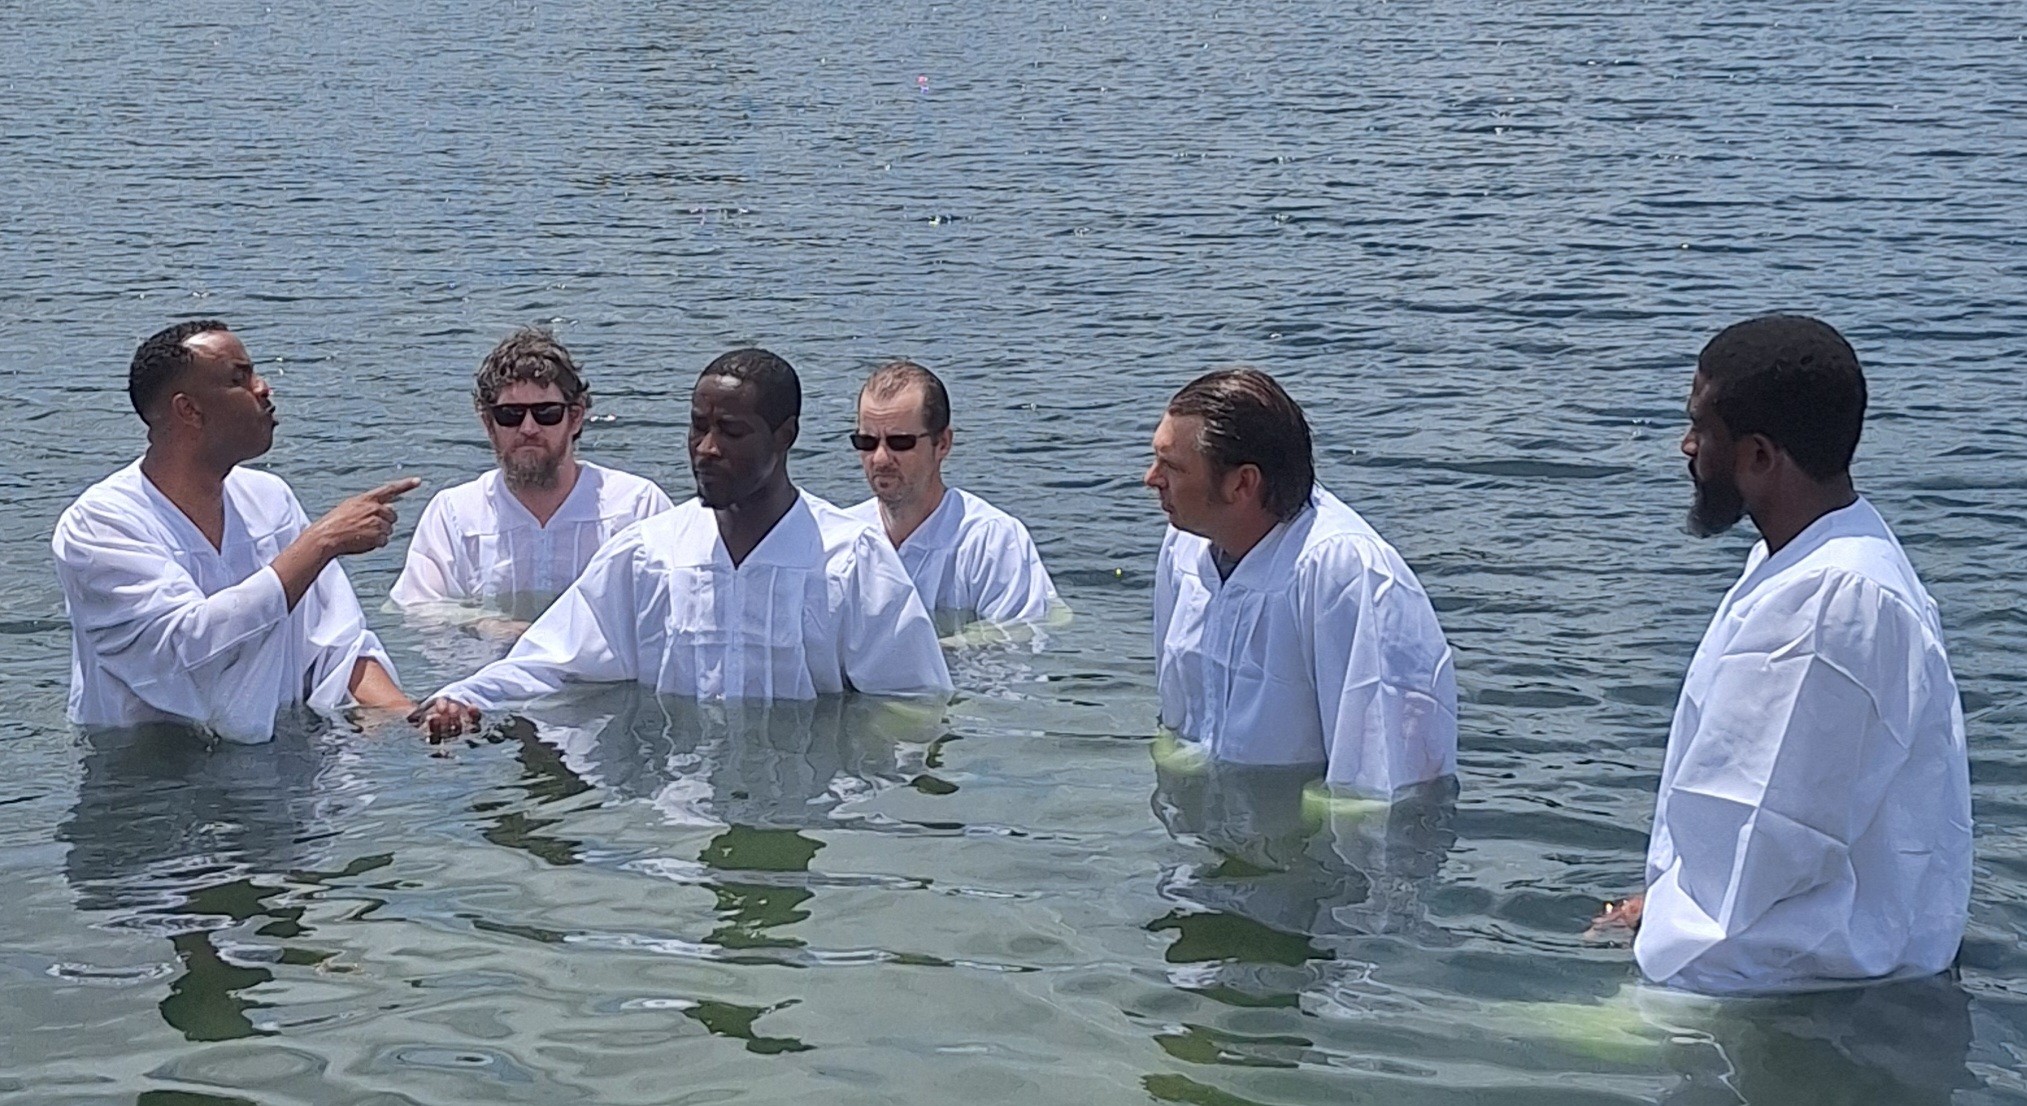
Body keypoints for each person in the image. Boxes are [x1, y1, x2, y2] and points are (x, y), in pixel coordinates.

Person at [1595, 315, 1971, 995]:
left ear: (1760, 456)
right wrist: (1664, 902)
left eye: (1702, 429)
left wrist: (1674, 946)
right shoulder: (1816, 559)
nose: (1686, 447)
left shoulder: (1827, 599)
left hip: (1784, 993)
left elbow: (1765, 837)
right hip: (1795, 975)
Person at [414, 348, 952, 737]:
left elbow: (913, 704)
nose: (706, 449)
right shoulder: (650, 555)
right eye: (698, 428)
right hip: (682, 808)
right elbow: (553, 658)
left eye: (731, 432)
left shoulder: (851, 560)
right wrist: (464, 696)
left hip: (808, 802)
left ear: (784, 436)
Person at [51, 320, 416, 744]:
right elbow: (185, 656)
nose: (263, 388)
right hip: (146, 769)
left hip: (280, 761)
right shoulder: (100, 525)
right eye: (238, 379)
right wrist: (321, 543)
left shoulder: (270, 499)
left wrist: (410, 717)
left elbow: (337, 648)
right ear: (189, 410)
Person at [1142, 368, 1457, 797]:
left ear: (1242, 483)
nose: (1151, 478)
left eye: (1173, 467)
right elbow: (1176, 718)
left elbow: (1384, 775)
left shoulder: (1345, 572)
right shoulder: (1185, 543)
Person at [390, 328, 673, 621]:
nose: (528, 428)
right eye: (510, 415)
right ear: (488, 423)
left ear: (575, 418)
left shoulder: (637, 507)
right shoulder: (455, 515)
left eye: (546, 413)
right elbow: (417, 608)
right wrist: (483, 624)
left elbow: (674, 604)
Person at [842, 360, 1059, 625]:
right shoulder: (841, 540)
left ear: (943, 444)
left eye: (900, 442)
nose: (880, 458)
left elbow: (1022, 637)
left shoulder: (992, 542)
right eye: (867, 442)